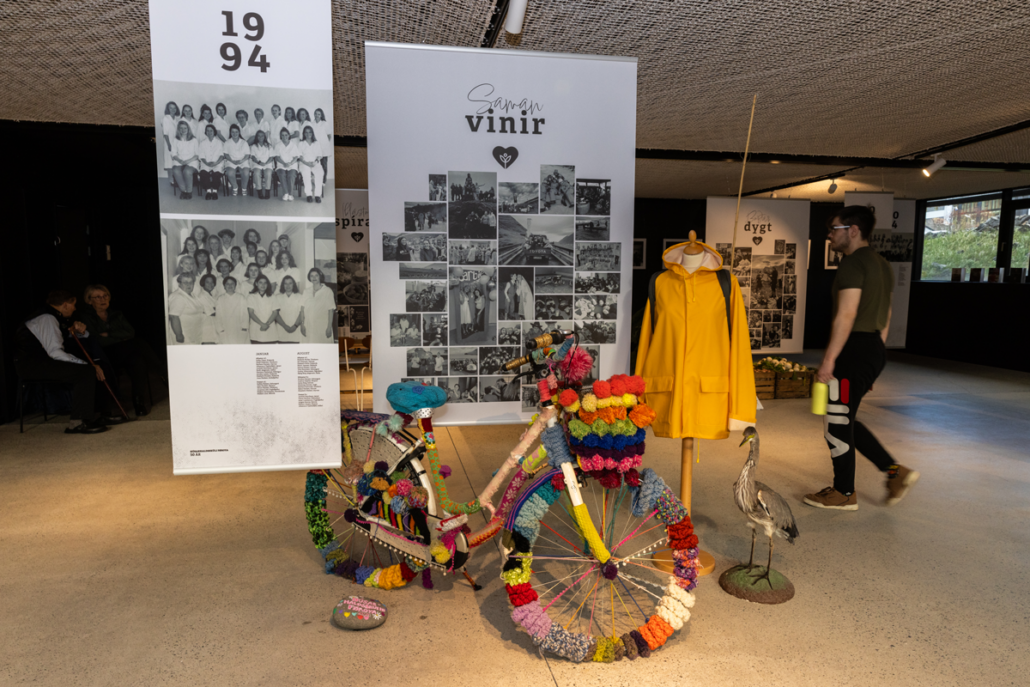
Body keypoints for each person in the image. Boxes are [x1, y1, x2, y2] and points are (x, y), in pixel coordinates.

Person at [805, 205, 919, 511]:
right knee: (844, 419)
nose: (830, 236)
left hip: (854, 350)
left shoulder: (853, 263)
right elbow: (887, 315)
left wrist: (829, 360)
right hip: (872, 350)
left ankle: (844, 493)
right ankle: (895, 473)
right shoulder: (882, 264)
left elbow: (847, 314)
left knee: (836, 422)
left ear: (853, 230)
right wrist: (872, 359)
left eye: (834, 229)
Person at [15, 290, 126, 433]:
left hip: (46, 361)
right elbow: (55, 352)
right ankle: (77, 422)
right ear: (65, 305)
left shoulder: (57, 317)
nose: (74, 308)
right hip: (33, 365)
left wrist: (81, 331)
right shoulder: (47, 318)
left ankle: (103, 414)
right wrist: (89, 365)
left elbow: (67, 338)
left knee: (100, 366)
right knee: (87, 371)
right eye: (73, 305)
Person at [77, 284, 155, 417]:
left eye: (105, 296)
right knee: (137, 343)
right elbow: (97, 340)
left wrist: (108, 334)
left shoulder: (116, 314)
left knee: (138, 361)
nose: (103, 299)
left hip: (122, 352)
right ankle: (162, 373)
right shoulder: (85, 317)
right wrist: (120, 338)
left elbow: (130, 332)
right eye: (98, 297)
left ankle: (138, 402)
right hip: (103, 354)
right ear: (89, 300)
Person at [168, 274, 206, 345]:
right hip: (184, 336)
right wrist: (179, 334)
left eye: (191, 282)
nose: (189, 284)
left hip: (194, 334)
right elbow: (174, 316)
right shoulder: (178, 296)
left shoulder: (192, 295)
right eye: (185, 282)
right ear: (179, 284)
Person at [304, 268, 335, 343]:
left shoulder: (327, 291)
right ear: (309, 278)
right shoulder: (306, 291)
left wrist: (329, 327)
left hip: (323, 326)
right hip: (309, 325)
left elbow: (331, 310)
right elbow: (302, 308)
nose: (314, 278)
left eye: (316, 275)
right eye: (311, 276)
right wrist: (302, 324)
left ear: (320, 276)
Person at [169, 120, 199, 199]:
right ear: (178, 129)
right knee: (175, 170)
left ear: (188, 129)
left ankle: (189, 191)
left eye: (185, 128)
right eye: (181, 128)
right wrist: (180, 161)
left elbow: (197, 154)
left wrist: (188, 161)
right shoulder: (175, 139)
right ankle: (184, 190)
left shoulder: (194, 140)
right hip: (179, 160)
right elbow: (173, 153)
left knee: (187, 171)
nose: (183, 130)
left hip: (192, 161)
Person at [215, 276, 249, 344]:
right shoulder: (220, 299)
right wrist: (220, 329)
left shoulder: (241, 297)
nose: (230, 285)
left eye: (232, 283)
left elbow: (245, 314)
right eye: (227, 284)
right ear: (224, 286)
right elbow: (218, 316)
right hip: (225, 329)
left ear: (235, 285)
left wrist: (244, 327)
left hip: (239, 328)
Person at [246, 275, 279, 344]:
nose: (263, 285)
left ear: (268, 284)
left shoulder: (273, 296)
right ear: (256, 284)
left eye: (265, 283)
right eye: (260, 282)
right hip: (256, 329)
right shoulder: (251, 296)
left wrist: (266, 325)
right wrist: (262, 324)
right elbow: (251, 313)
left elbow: (275, 312)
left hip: (270, 329)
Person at [222, 124, 251, 197]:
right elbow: (226, 154)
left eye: (236, 132)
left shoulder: (244, 142)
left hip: (243, 161)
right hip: (231, 161)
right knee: (230, 173)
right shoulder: (227, 142)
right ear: (230, 133)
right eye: (232, 132)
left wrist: (241, 161)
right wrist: (232, 161)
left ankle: (244, 188)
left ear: (239, 132)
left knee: (246, 173)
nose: (234, 134)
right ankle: (235, 187)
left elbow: (247, 155)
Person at [197, 123, 225, 200]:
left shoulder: (219, 143)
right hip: (206, 163)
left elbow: (222, 155)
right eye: (207, 131)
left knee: (216, 174)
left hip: (217, 163)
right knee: (203, 173)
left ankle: (215, 191)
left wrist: (216, 163)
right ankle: (208, 191)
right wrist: (207, 163)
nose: (209, 132)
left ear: (214, 132)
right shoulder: (202, 143)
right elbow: (201, 155)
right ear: (205, 132)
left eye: (211, 130)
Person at [274, 276, 305, 343]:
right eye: (285, 283)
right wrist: (285, 326)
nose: (288, 286)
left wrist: (295, 326)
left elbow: (301, 313)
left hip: (296, 330)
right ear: (283, 285)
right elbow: (276, 314)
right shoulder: (277, 297)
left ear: (294, 284)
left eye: (290, 283)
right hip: (281, 330)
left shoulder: (300, 296)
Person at [297, 125, 323, 203]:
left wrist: (315, 162)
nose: (308, 134)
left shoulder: (316, 143)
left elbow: (319, 155)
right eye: (306, 132)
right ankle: (309, 194)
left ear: (312, 133)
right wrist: (306, 163)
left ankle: (317, 195)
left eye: (310, 132)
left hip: (315, 163)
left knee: (320, 173)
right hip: (304, 163)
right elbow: (299, 156)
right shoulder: (301, 143)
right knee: (306, 174)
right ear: (304, 134)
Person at [274, 127, 299, 202]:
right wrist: (284, 163)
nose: (284, 137)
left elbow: (296, 157)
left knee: (291, 175)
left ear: (289, 135)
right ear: (280, 136)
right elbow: (276, 157)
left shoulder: (293, 145)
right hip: (281, 164)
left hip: (292, 164)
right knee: (282, 174)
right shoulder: (277, 145)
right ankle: (286, 193)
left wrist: (290, 163)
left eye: (286, 135)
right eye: (282, 135)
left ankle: (290, 194)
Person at [249, 129, 274, 199]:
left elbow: (271, 157)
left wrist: (266, 163)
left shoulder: (269, 146)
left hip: (267, 163)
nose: (260, 137)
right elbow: (253, 157)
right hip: (257, 163)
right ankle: (259, 191)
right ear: (256, 137)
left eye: (262, 136)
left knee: (268, 173)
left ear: (264, 137)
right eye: (259, 136)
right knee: (256, 173)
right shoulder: (253, 146)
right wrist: (259, 162)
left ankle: (267, 191)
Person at [196, 274, 220, 344]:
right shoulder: (201, 296)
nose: (210, 284)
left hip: (212, 325)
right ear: (203, 283)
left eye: (212, 282)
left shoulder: (211, 294)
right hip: (206, 326)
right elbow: (211, 312)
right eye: (207, 282)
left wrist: (217, 309)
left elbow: (215, 309)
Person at [161, 101, 180, 184]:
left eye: (174, 108)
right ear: (168, 109)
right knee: (169, 161)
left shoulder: (176, 119)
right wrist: (169, 145)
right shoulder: (166, 118)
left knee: (175, 161)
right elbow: (165, 133)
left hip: (176, 143)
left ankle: (176, 179)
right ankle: (171, 180)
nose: (173, 109)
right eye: (171, 108)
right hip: (169, 142)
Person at [313, 108, 332, 184]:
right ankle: (316, 180)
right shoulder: (312, 123)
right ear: (314, 114)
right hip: (315, 148)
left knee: (323, 165)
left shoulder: (324, 123)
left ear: (321, 115)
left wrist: (325, 144)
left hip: (324, 148)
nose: (317, 115)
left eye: (319, 114)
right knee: (316, 165)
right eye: (316, 114)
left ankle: (323, 181)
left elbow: (329, 136)